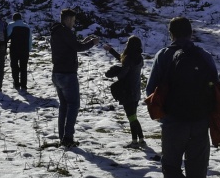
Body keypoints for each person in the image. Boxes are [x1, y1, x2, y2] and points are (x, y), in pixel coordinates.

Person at [145, 16, 219, 178]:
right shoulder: (204, 56)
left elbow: (151, 90)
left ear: (171, 34)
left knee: (170, 167)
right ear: (191, 33)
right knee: (197, 174)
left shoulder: (164, 56)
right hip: (200, 123)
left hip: (174, 123)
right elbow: (214, 87)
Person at [48, 8, 98, 147]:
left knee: (64, 106)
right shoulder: (65, 31)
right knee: (73, 105)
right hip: (67, 74)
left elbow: (72, 46)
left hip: (57, 73)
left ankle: (62, 137)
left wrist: (85, 41)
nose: (74, 23)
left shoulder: (56, 32)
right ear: (68, 19)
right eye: (73, 20)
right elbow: (77, 48)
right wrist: (92, 43)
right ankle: (68, 138)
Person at [105, 35, 147, 148]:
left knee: (131, 117)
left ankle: (135, 142)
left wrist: (116, 71)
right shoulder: (139, 58)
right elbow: (123, 60)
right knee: (133, 116)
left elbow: (122, 74)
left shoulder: (128, 59)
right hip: (136, 91)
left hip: (127, 91)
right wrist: (111, 51)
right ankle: (141, 140)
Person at [6, 12, 32, 90]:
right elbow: (30, 39)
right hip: (24, 50)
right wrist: (29, 49)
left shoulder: (11, 26)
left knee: (14, 66)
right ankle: (24, 85)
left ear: (14, 19)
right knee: (24, 67)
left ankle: (16, 83)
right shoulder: (27, 27)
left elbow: (7, 36)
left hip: (14, 49)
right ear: (21, 18)